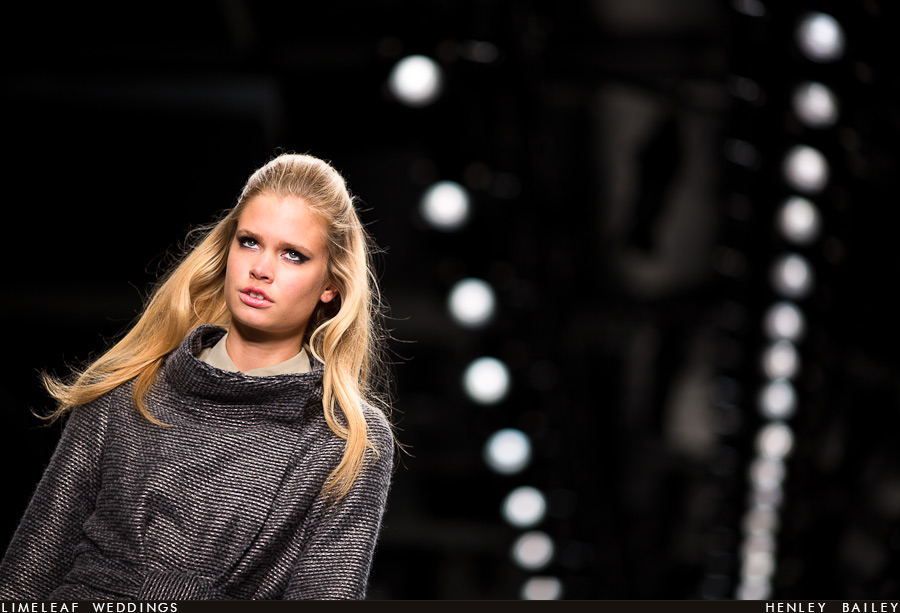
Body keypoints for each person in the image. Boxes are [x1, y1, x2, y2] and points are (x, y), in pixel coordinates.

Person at [0, 153, 395, 600]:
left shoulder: (345, 440)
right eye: (249, 242)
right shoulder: (127, 392)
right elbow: (26, 573)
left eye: (293, 254)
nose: (261, 268)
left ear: (331, 284)